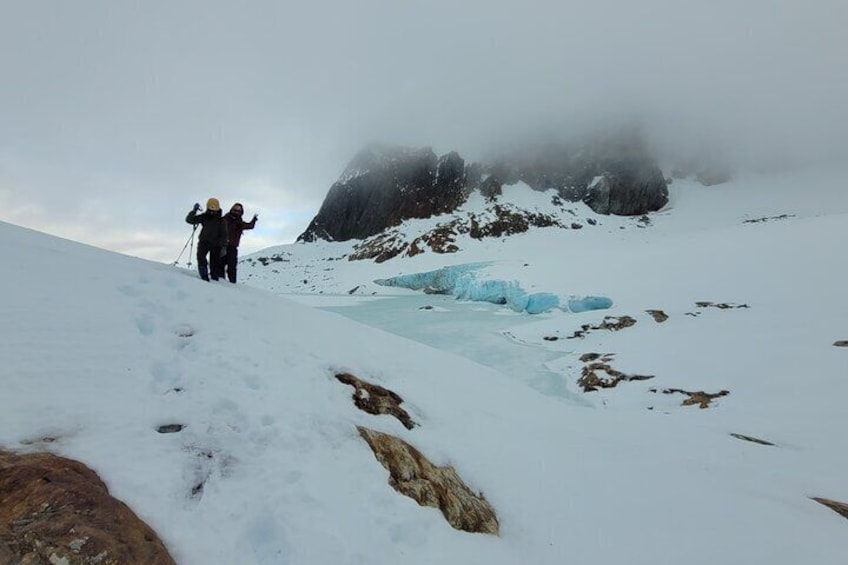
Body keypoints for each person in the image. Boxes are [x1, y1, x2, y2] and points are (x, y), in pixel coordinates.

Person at [185, 198, 228, 281]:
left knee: (214, 262)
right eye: (211, 208)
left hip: (216, 244)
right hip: (204, 242)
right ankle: (204, 276)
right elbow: (190, 220)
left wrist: (221, 245)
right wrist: (194, 211)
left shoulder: (221, 220)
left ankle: (214, 279)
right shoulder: (205, 216)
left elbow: (224, 235)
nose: (212, 211)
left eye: (214, 208)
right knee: (201, 257)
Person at [222, 202, 258, 283]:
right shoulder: (225, 219)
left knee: (232, 267)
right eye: (235, 209)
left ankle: (232, 284)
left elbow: (250, 226)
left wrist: (254, 220)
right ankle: (218, 283)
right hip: (222, 246)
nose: (236, 211)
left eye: (238, 210)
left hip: (232, 247)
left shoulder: (239, 222)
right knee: (220, 265)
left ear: (241, 212)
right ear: (232, 209)